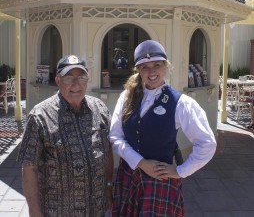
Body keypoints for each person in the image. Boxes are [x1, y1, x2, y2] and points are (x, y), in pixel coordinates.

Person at [109, 40, 217, 216]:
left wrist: (180, 171)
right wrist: (141, 163)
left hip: (159, 182)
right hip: (129, 175)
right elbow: (115, 137)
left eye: (157, 65)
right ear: (138, 70)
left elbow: (207, 143)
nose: (151, 71)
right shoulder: (127, 97)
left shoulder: (181, 103)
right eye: (145, 67)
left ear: (166, 67)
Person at [17, 55, 113, 217]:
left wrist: (109, 185)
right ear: (58, 80)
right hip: (58, 211)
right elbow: (29, 166)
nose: (76, 84)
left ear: (87, 80)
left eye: (81, 77)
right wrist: (34, 210)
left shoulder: (99, 108)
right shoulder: (40, 116)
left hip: (95, 208)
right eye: (69, 78)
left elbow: (108, 150)